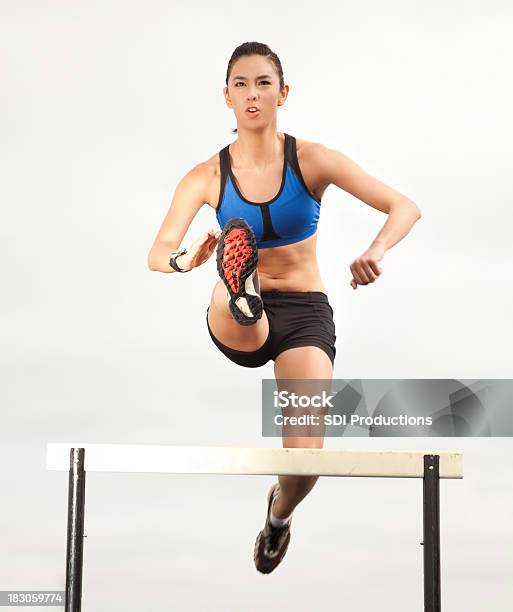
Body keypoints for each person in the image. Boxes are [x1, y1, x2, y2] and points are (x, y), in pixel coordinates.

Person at [147, 41, 422, 574]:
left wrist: (375, 249)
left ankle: (278, 515)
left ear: (283, 93)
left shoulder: (312, 160)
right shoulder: (206, 176)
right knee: (236, 280)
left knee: (305, 460)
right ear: (226, 97)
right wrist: (186, 262)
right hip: (237, 318)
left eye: (264, 83)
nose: (253, 94)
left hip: (303, 313)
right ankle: (238, 283)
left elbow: (404, 207)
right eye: (242, 85)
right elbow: (157, 253)